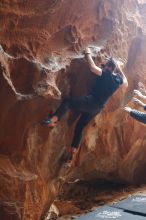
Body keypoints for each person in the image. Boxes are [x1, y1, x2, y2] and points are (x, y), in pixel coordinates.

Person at [41, 47, 128, 163]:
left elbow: (93, 68)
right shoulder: (117, 80)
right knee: (80, 127)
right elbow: (125, 81)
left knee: (68, 103)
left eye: (105, 62)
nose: (103, 61)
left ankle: (53, 120)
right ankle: (72, 152)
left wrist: (87, 53)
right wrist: (119, 68)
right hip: (97, 108)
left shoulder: (106, 73)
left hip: (91, 102)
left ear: (109, 67)